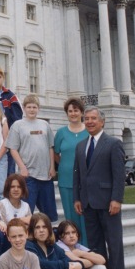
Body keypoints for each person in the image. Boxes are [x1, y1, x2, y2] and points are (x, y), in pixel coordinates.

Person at [73, 106, 126, 269]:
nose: (89, 122)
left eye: (93, 118)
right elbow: (77, 174)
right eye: (86, 118)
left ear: (102, 121)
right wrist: (77, 198)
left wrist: (116, 199)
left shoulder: (113, 143)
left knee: (113, 242)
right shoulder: (81, 146)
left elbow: (119, 175)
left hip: (107, 202)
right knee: (95, 243)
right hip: (87, 202)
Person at [7, 94, 57, 222]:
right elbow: (13, 149)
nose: (32, 109)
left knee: (49, 215)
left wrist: (52, 167)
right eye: (29, 107)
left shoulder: (44, 124)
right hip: (28, 176)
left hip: (46, 175)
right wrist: (22, 168)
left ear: (38, 108)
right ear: (24, 108)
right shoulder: (17, 125)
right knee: (27, 213)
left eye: (34, 107)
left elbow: (51, 147)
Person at [53, 97, 89, 245]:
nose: (73, 113)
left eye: (76, 110)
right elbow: (55, 153)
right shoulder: (61, 132)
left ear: (81, 112)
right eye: (70, 111)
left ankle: (87, 245)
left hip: (86, 180)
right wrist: (66, 166)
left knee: (86, 216)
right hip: (66, 179)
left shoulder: (89, 131)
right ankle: (74, 246)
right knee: (71, 215)